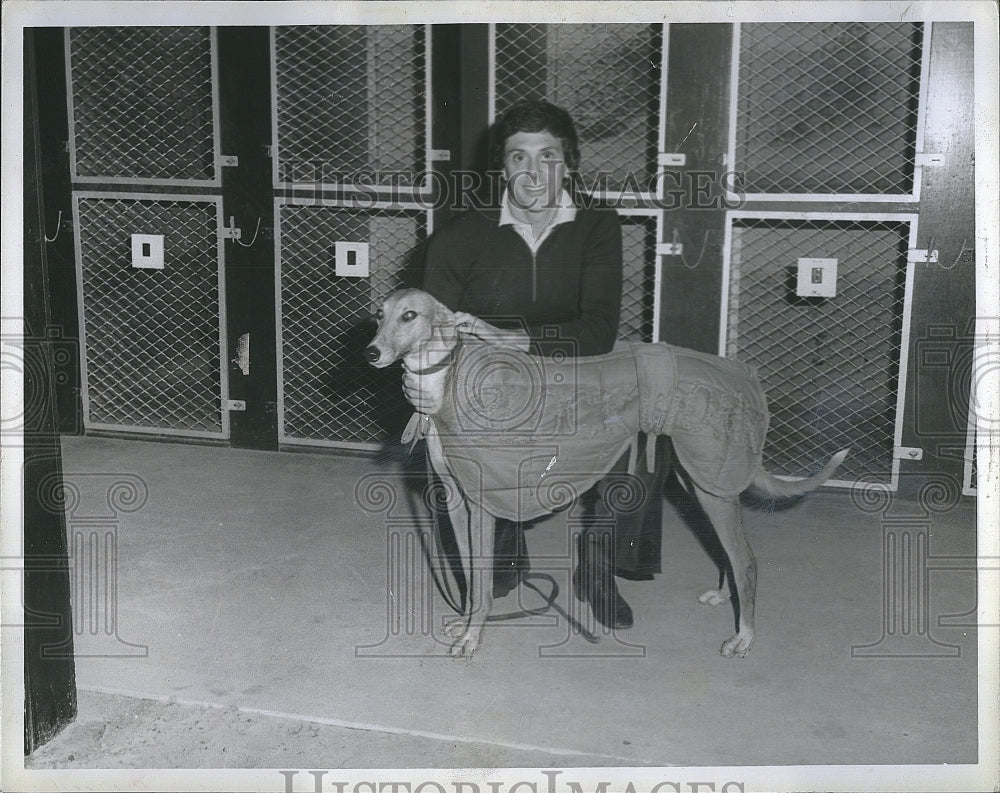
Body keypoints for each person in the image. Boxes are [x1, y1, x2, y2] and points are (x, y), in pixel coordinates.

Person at [403, 99, 666, 629]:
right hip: (486, 378)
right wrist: (426, 390)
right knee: (482, 467)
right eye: (518, 157)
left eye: (547, 156)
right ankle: (505, 544)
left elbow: (598, 331)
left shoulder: (596, 225)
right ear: (501, 166)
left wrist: (516, 339)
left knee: (646, 420)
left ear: (568, 163)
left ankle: (599, 565)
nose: (532, 171)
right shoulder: (461, 234)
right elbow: (425, 328)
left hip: (573, 360)